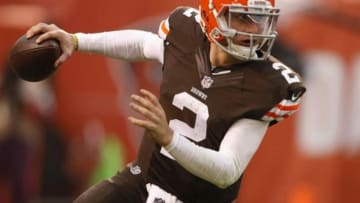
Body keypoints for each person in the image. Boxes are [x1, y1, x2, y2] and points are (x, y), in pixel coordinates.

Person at [25, 0, 306, 202]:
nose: (254, 31)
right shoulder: (186, 33)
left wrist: (169, 138)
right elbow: (141, 44)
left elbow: (227, 170)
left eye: (260, 19)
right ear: (212, 15)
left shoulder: (269, 85)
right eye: (243, 18)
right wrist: (75, 41)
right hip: (143, 180)